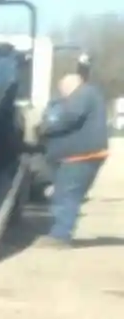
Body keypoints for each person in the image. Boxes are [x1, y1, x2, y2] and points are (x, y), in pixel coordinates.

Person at [35, 66, 108, 247]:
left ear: (71, 85)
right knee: (64, 193)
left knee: (67, 194)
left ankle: (60, 236)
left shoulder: (83, 94)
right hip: (79, 155)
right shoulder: (86, 95)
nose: (62, 93)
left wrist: (44, 128)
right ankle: (60, 232)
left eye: (63, 89)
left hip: (80, 156)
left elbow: (69, 117)